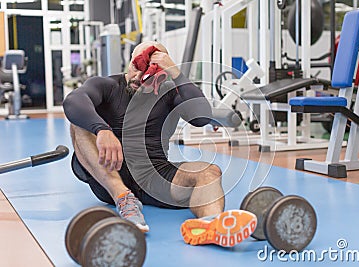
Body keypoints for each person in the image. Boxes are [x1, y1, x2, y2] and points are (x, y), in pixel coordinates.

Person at [63, 41, 256, 247]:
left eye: (148, 72)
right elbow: (73, 101)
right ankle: (124, 198)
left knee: (209, 173)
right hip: (110, 173)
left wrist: (175, 72)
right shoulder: (108, 86)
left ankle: (210, 226)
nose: (138, 77)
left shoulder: (169, 93)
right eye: (136, 67)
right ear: (129, 63)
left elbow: (201, 118)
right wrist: (102, 130)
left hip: (153, 178)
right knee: (79, 125)